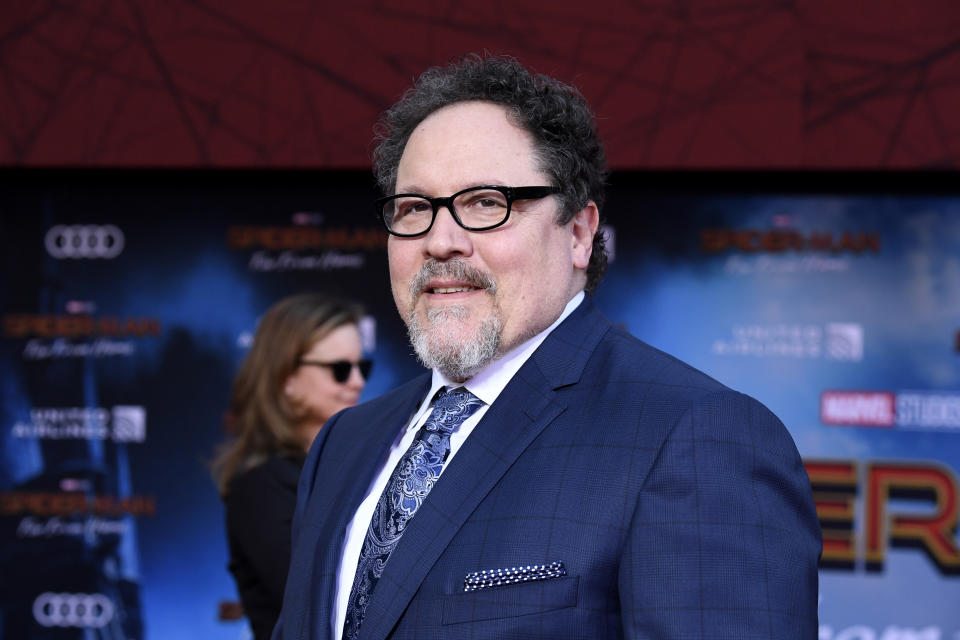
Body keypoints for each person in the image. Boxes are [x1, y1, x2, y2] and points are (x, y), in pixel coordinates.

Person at [273, 55, 821, 640]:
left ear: (580, 233)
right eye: (414, 209)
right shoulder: (344, 444)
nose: (441, 240)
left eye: (487, 202)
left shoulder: (697, 438)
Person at [213, 293, 370, 640]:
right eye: (340, 370)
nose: (357, 382)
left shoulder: (355, 469)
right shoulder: (259, 487)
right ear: (287, 377)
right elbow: (321, 601)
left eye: (363, 368)